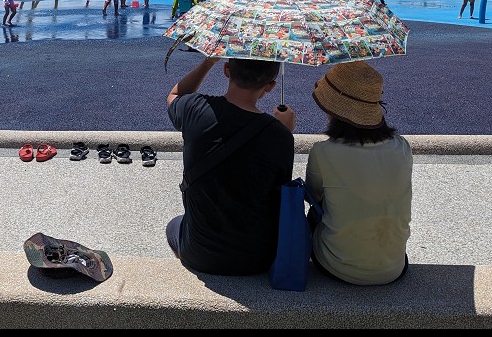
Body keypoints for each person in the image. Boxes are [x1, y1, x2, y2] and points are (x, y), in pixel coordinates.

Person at [165, 56, 297, 275]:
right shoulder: (279, 136)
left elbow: (175, 95)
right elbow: (279, 191)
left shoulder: (194, 109)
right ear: (271, 86)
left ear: (227, 69)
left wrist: (207, 63)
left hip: (199, 254)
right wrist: (285, 132)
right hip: (258, 258)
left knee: (174, 225)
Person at [305, 61, 412, 285]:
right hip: (393, 267)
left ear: (333, 109)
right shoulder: (402, 147)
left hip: (337, 266)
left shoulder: (323, 152)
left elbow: (312, 197)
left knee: (313, 215)